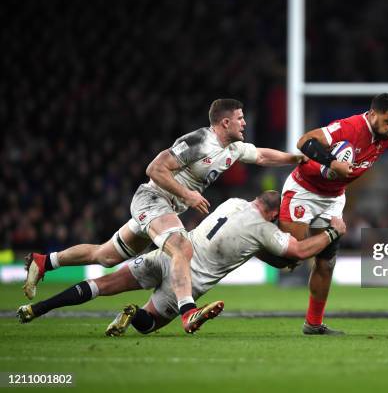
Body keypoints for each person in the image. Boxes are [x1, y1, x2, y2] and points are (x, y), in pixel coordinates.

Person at [23, 99, 305, 333]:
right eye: (241, 118)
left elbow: (264, 156)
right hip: (153, 199)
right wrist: (187, 194)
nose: (245, 123)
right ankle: (187, 312)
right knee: (182, 247)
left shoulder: (234, 149)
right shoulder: (199, 141)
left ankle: (45, 261)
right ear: (225, 122)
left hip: (164, 209)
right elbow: (154, 169)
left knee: (105, 256)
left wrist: (296, 159)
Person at [17, 191, 347, 335]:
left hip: (171, 252)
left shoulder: (234, 203)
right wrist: (332, 231)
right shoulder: (264, 230)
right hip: (188, 280)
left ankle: (38, 308)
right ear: (274, 214)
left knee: (101, 283)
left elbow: (249, 245)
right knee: (150, 325)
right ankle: (136, 314)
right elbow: (301, 252)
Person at [281, 93, 388, 335]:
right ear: (373, 114)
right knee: (290, 256)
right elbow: (304, 141)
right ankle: (258, 226)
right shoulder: (349, 127)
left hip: (333, 198)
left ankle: (313, 324)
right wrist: (332, 162)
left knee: (326, 262)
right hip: (304, 190)